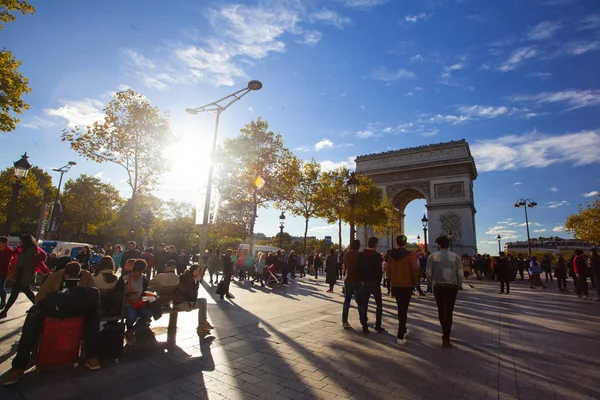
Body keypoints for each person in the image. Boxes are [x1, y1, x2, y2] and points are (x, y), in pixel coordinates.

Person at [1, 262, 102, 386]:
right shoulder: (54, 277)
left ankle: (91, 357)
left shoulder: (86, 276)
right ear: (65, 273)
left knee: (94, 317)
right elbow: (39, 298)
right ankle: (19, 366)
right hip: (54, 311)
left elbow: (92, 297)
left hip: (76, 311)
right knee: (32, 320)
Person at [426, 235, 463, 349]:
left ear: (439, 245)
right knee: (449, 310)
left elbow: (428, 272)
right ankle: (446, 335)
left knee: (441, 309)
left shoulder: (433, 256)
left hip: (438, 286)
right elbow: (460, 273)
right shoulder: (456, 256)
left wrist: (433, 282)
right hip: (451, 286)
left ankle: (444, 331)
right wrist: (458, 285)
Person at [0, 235, 43, 319]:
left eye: (21, 240)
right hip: (22, 275)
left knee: (17, 294)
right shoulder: (25, 249)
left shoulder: (31, 250)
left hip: (24, 275)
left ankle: (4, 311)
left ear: (26, 241)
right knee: (23, 293)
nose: (20, 242)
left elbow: (38, 261)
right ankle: (40, 307)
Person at [388, 235, 419, 344]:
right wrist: (416, 282)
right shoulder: (410, 255)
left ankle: (404, 330)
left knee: (400, 308)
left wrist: (392, 279)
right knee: (403, 310)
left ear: (397, 243)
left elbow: (388, 271)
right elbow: (415, 269)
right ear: (405, 244)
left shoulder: (391, 256)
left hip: (395, 285)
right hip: (407, 285)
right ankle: (400, 335)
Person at [116, 259, 152, 345]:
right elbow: (117, 291)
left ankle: (131, 331)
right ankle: (130, 332)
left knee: (148, 314)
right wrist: (126, 293)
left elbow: (145, 292)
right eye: (136, 272)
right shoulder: (125, 278)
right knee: (132, 316)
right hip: (127, 302)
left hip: (139, 302)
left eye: (140, 273)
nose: (137, 275)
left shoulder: (143, 279)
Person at [174, 265, 213, 334]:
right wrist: (197, 282)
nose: (197, 273)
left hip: (185, 300)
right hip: (180, 303)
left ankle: (203, 322)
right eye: (196, 270)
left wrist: (196, 281)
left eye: (198, 271)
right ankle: (202, 325)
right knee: (201, 304)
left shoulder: (190, 277)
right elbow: (192, 296)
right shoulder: (187, 278)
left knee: (203, 300)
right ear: (192, 270)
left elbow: (193, 296)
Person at [358, 237, 385, 334]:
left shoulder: (361, 255)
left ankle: (364, 326)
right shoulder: (377, 256)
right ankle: (378, 325)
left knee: (364, 305)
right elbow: (379, 270)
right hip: (375, 283)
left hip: (365, 283)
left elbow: (359, 269)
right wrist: (378, 280)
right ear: (376, 245)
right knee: (379, 305)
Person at [342, 240, 363, 330]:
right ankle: (362, 319)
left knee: (347, 300)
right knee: (359, 300)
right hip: (357, 279)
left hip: (348, 278)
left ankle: (344, 321)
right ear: (358, 246)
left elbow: (345, 266)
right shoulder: (360, 255)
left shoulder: (347, 254)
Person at [0, 236, 14, 310]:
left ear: (4, 243)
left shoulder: (8, 251)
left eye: (0, 242)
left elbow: (5, 262)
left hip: (3, 271)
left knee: (1, 286)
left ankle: (3, 302)